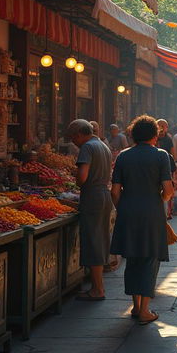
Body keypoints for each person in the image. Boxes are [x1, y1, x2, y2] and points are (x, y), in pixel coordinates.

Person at [110, 115, 173, 324]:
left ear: (133, 134)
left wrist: (124, 207)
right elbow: (168, 189)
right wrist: (160, 201)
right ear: (155, 135)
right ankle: (145, 310)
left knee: (132, 259)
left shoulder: (123, 156)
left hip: (128, 211)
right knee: (149, 258)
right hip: (151, 212)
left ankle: (136, 306)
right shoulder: (161, 155)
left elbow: (115, 191)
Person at [67, 119, 113, 301]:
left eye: (73, 138)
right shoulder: (103, 145)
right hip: (104, 194)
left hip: (92, 196)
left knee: (93, 240)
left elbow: (83, 178)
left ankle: (97, 289)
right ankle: (97, 286)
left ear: (79, 134)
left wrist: (76, 176)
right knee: (100, 239)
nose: (73, 142)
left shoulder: (87, 147)